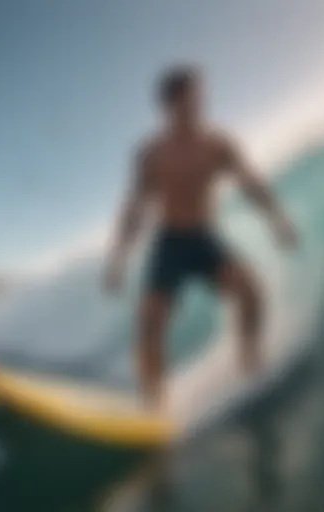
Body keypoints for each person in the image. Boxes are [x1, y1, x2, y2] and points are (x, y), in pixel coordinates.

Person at [102, 65, 298, 411]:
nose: (198, 104)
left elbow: (250, 183)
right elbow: (134, 210)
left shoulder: (218, 144)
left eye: (199, 96)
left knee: (251, 292)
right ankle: (154, 404)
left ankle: (248, 359)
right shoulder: (151, 155)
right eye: (190, 98)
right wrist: (118, 259)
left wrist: (278, 220)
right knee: (149, 322)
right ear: (169, 105)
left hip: (205, 239)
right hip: (170, 243)